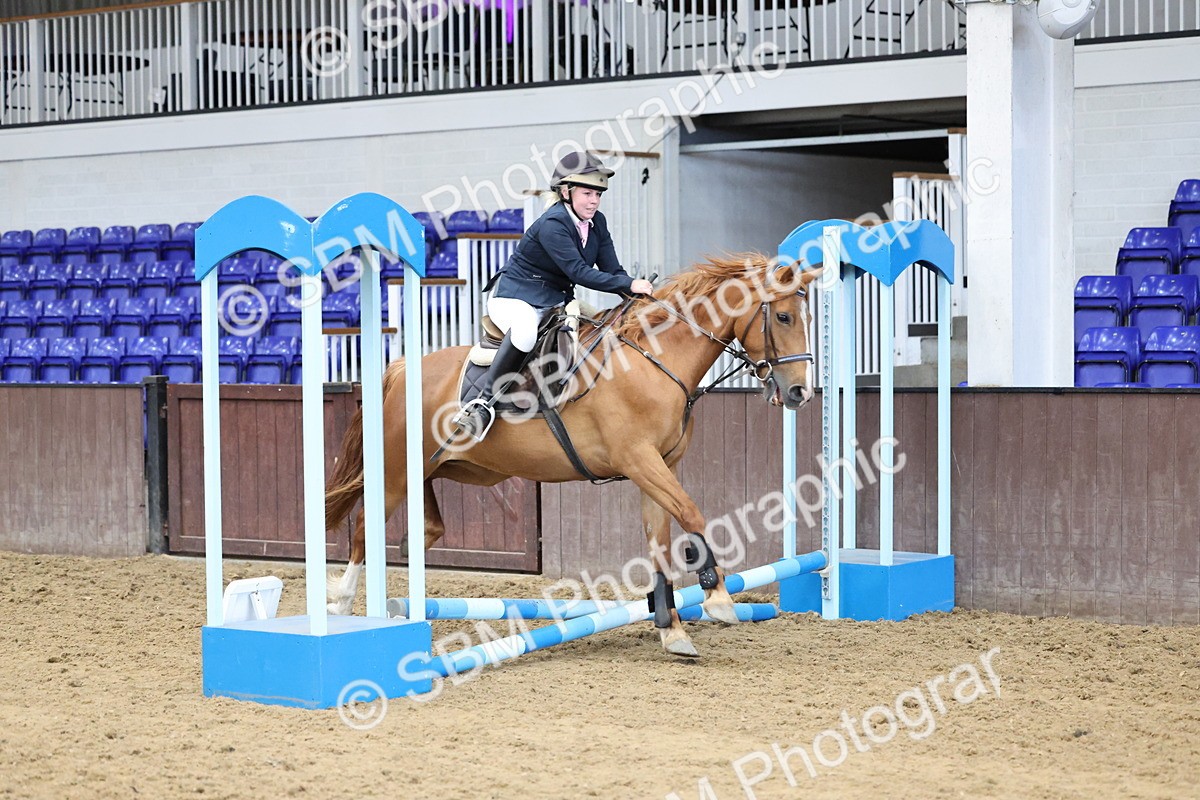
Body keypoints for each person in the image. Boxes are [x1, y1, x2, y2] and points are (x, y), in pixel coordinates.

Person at [453, 151, 655, 440]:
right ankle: (482, 403)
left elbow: (613, 269)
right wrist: (630, 284)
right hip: (515, 298)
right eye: (587, 193)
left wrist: (634, 295)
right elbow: (579, 272)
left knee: (597, 326)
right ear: (566, 191)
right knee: (524, 334)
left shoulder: (598, 223)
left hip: (554, 301)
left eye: (598, 194)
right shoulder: (553, 224)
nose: (594, 200)